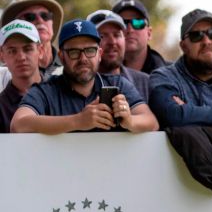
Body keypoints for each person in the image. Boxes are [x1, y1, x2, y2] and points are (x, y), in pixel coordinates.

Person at [11, 19, 157, 134]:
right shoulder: (46, 91)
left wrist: (130, 121)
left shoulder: (118, 85)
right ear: (62, 56)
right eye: (74, 52)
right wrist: (78, 121)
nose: (83, 58)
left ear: (99, 54)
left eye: (90, 50)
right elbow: (18, 125)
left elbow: (151, 123)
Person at [86, 10, 150, 101]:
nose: (112, 42)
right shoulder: (77, 85)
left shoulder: (145, 83)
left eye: (117, 35)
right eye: (102, 36)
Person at [1, 0, 63, 81]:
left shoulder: (72, 66)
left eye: (45, 16)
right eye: (29, 17)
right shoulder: (3, 78)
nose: (40, 20)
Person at [0, 20, 42, 133]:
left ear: (40, 50)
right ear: (2, 56)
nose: (21, 57)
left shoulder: (61, 93)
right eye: (12, 51)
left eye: (27, 48)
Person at [112, 0, 169, 74]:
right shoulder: (96, 75)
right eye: (122, 23)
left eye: (138, 23)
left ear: (149, 33)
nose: (130, 30)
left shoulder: (172, 77)